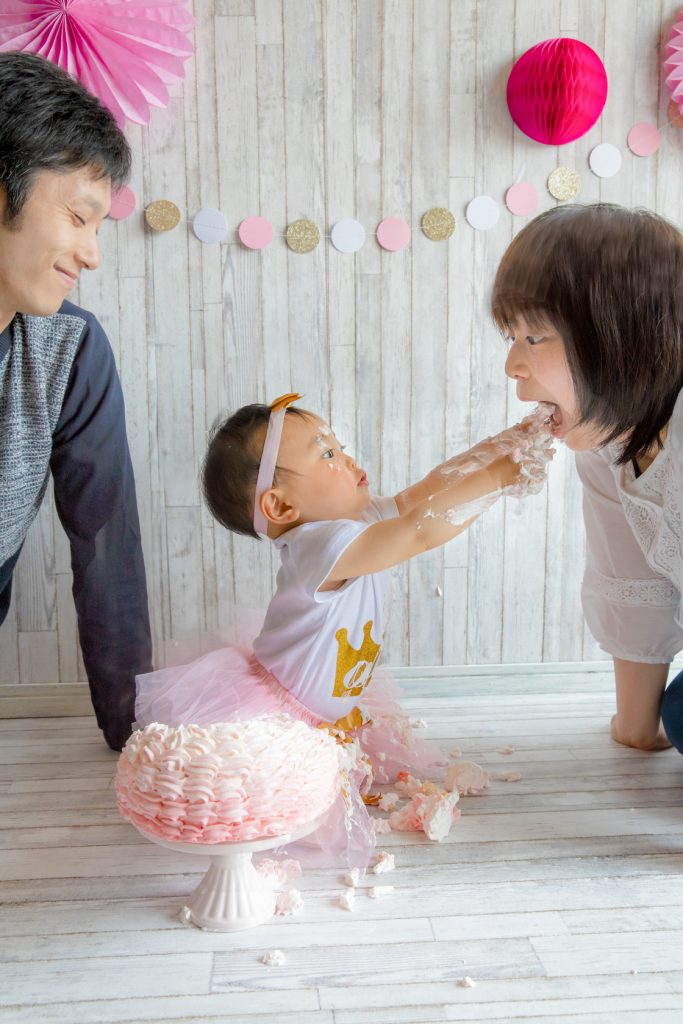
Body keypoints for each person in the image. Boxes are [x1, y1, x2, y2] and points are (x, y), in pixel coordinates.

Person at [135, 393, 553, 861]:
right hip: (282, 717)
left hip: (322, 702)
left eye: (339, 445)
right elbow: (419, 529)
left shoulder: (354, 522)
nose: (348, 457)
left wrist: (502, 446)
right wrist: (499, 477)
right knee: (262, 798)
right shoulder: (321, 544)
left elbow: (425, 494)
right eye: (328, 454)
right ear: (281, 506)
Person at [0, 52, 152, 750]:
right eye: (78, 217)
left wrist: (138, 737)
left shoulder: (70, 350)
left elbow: (106, 546)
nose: (91, 253)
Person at [495, 202, 683, 756]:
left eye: (534, 338)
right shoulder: (609, 446)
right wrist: (637, 726)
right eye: (512, 336)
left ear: (625, 339)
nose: (512, 364)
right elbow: (631, 583)